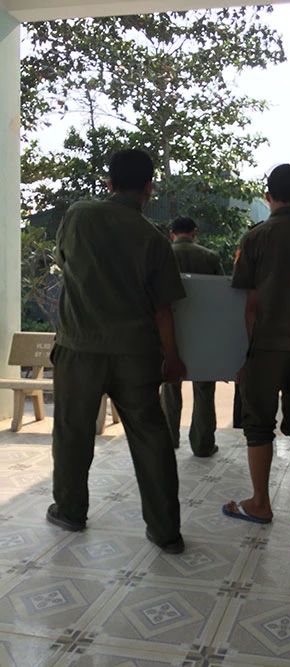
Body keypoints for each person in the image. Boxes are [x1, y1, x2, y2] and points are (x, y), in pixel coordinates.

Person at [47, 148, 187, 554]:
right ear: (149, 188)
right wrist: (172, 357)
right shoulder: (154, 239)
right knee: (150, 438)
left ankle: (70, 510)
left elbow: (64, 260)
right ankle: (165, 530)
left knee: (73, 432)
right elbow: (163, 309)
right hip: (136, 354)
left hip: (79, 349)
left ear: (109, 183)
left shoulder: (79, 215)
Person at [223, 163, 290, 529]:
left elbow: (250, 304)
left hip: (268, 343)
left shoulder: (255, 238)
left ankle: (259, 504)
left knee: (258, 424)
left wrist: (245, 354)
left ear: (267, 195)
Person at [160, 215, 224, 457]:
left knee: (170, 387)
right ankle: (203, 444)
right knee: (204, 389)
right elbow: (221, 296)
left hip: (169, 331)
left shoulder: (162, 256)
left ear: (172, 233)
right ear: (194, 232)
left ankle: (169, 439)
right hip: (202, 332)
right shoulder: (210, 258)